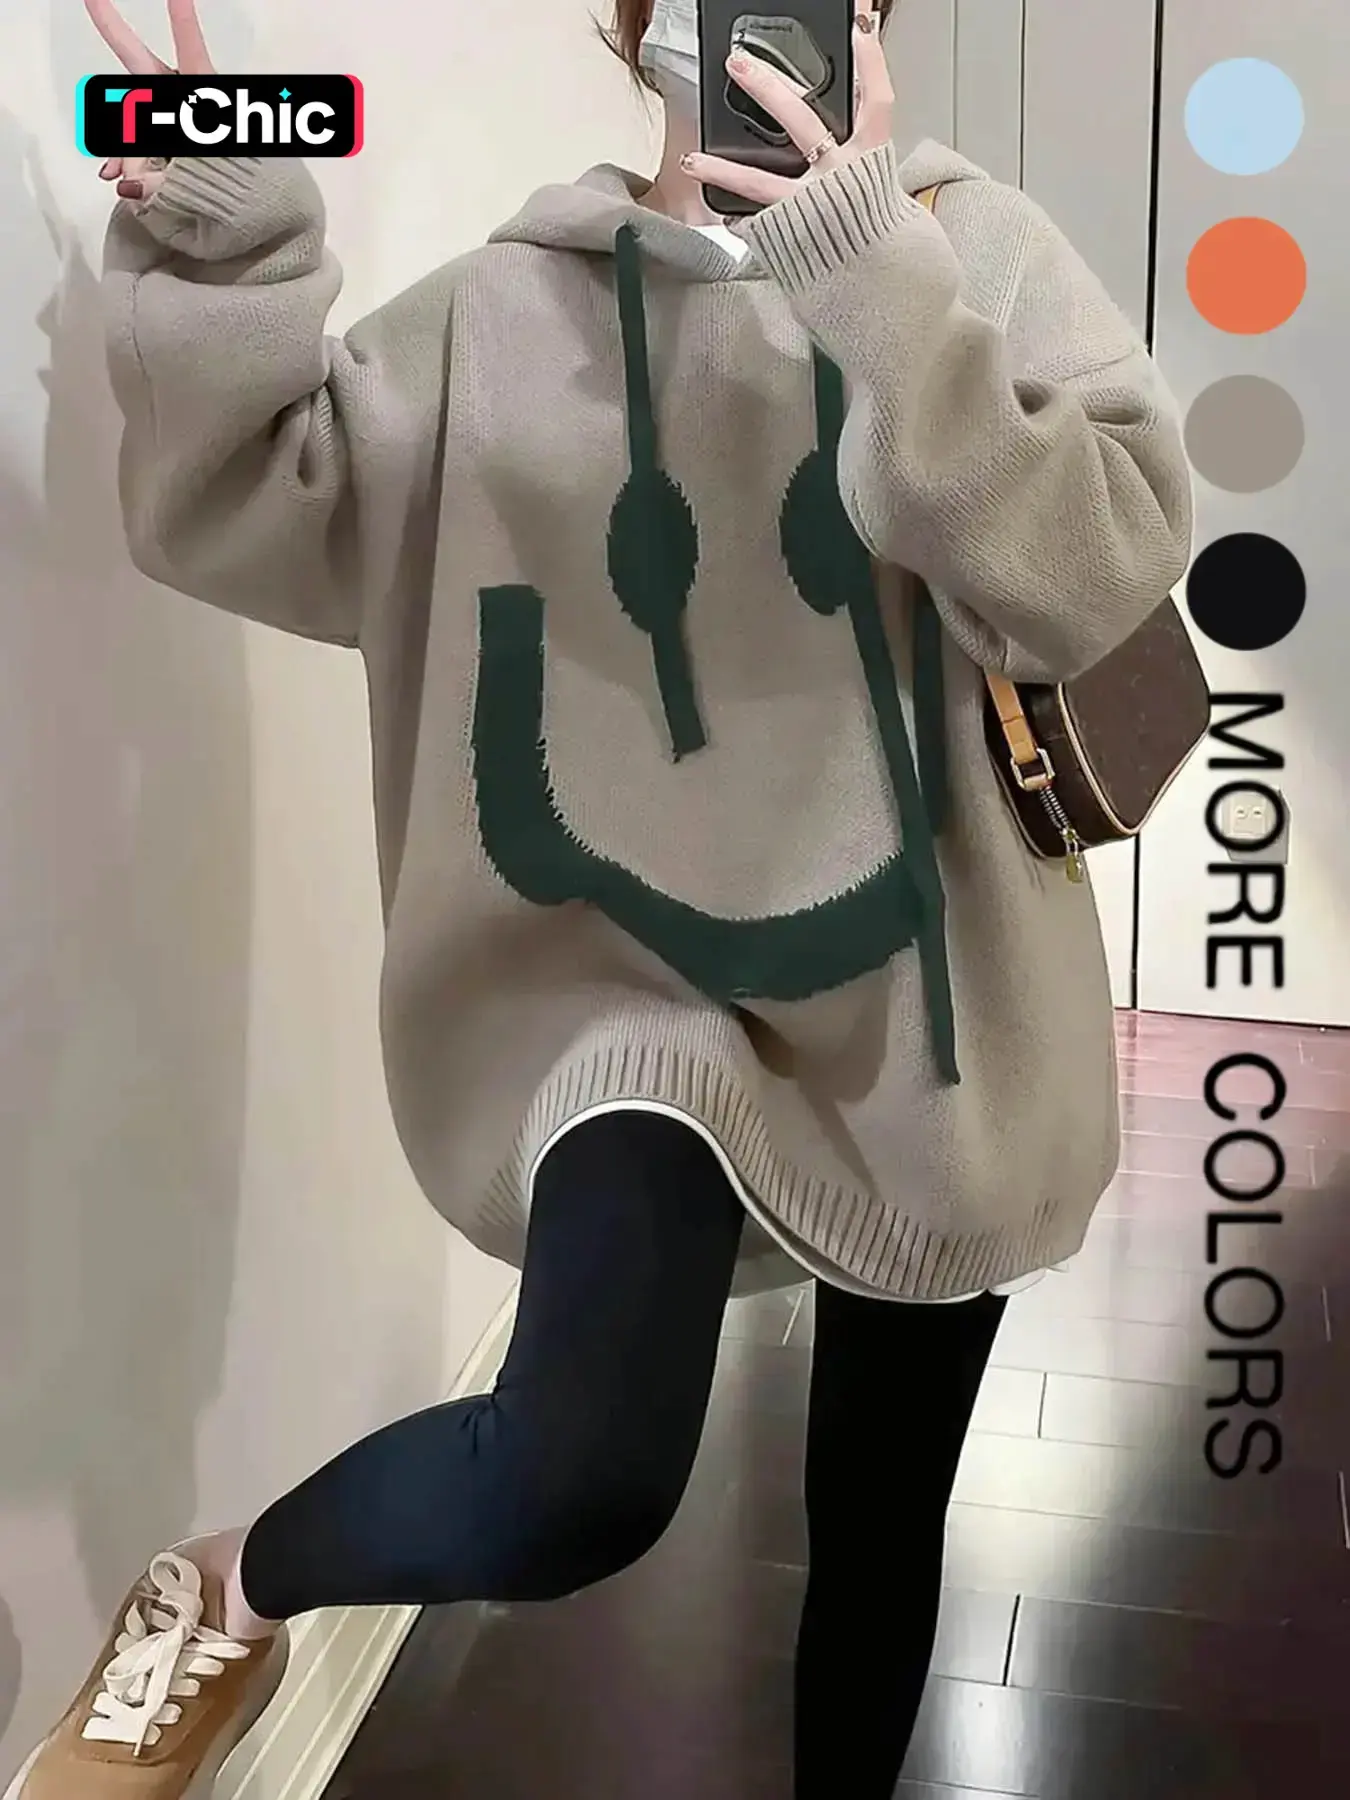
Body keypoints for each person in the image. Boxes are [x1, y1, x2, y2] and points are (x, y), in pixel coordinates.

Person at [8, 0, 1193, 1794]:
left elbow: (1098, 570)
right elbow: (246, 502)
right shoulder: (507, 313)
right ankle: (232, 1584)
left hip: (933, 986)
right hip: (621, 994)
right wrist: (232, 221)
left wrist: (876, 281)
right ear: (636, 27)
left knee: (880, 1528)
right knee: (578, 1470)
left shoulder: (977, 253)